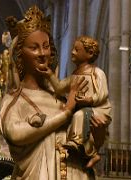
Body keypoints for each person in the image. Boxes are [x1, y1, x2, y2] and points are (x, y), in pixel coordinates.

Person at [0, 6, 97, 180]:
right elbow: (14, 132)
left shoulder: (60, 97)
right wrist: (65, 113)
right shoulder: (14, 99)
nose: (42, 54)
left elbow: (81, 139)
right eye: (34, 48)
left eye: (45, 47)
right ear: (20, 55)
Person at [38, 35, 112, 168]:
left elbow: (103, 93)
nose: (72, 52)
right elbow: (60, 88)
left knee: (79, 116)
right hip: (82, 110)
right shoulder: (74, 76)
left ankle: (78, 144)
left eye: (77, 50)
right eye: (73, 49)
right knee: (71, 117)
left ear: (89, 54)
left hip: (98, 109)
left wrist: (89, 99)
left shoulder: (97, 73)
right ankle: (89, 152)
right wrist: (49, 75)